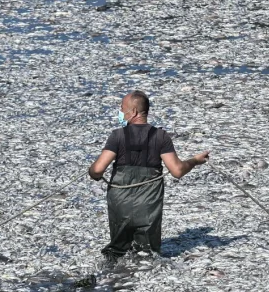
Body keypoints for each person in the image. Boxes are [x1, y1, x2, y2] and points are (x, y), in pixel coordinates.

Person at [88, 90, 210, 259]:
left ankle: (111, 282)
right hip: (148, 206)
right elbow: (177, 170)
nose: (121, 112)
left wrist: (91, 172)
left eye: (122, 108)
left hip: (120, 204)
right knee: (147, 256)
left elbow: (98, 170)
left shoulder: (117, 136)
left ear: (134, 112)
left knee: (117, 253)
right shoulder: (160, 136)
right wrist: (195, 160)